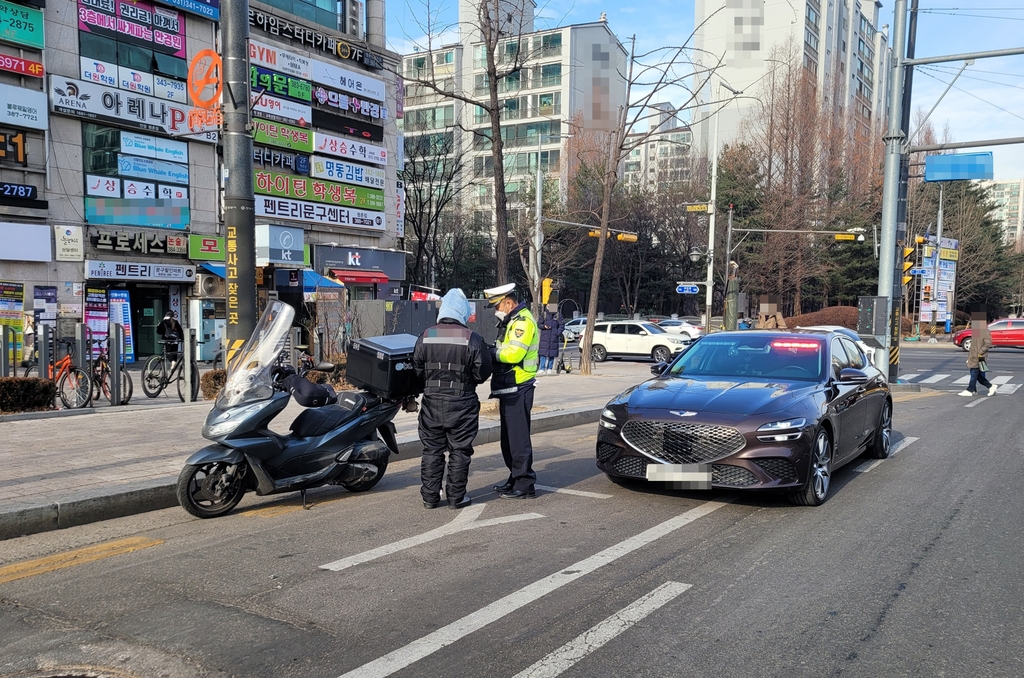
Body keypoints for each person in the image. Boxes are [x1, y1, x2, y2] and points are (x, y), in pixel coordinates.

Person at [413, 289, 493, 509]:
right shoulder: (472, 339)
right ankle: (456, 499)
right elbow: (483, 372)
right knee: (459, 451)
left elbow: (417, 369)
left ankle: (430, 498)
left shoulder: (427, 335)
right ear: (463, 312)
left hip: (431, 402)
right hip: (462, 404)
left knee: (432, 450)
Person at [484, 283, 540, 499]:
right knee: (508, 439)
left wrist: (490, 352)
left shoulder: (522, 323)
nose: (496, 310)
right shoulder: (511, 321)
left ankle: (525, 483)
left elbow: (513, 355)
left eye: (497, 305)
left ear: (509, 302)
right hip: (509, 386)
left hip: (519, 386)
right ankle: (515, 476)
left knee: (518, 439)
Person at [958, 311, 996, 397]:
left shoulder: (985, 331)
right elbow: (973, 346)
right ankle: (975, 389)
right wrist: (970, 357)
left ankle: (971, 389)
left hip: (980, 356)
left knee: (975, 374)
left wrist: (980, 352)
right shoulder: (976, 331)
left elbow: (988, 344)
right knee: (977, 375)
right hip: (974, 356)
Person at [537, 303, 565, 376]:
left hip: (554, 337)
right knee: (543, 353)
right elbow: (539, 324)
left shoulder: (558, 315)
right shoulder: (544, 314)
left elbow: (562, 325)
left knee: (552, 354)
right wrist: (544, 326)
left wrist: (557, 333)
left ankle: (550, 368)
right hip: (545, 337)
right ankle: (542, 368)